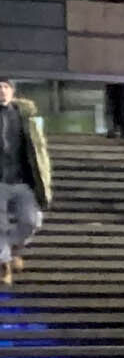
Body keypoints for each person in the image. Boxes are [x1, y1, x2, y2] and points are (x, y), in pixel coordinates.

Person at [0, 78, 50, 288]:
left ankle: (12, 249)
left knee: (31, 221)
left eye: (5, 87)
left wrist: (43, 178)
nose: (2, 91)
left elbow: (39, 149)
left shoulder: (25, 116)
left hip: (22, 179)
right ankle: (4, 265)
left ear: (12, 91)